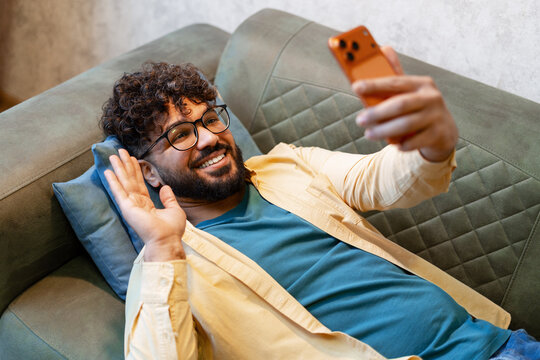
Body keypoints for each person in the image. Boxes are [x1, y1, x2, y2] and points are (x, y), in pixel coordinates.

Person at [100, 51, 539, 359]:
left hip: (496, 344)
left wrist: (428, 145)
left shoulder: (287, 164)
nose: (210, 138)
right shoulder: (165, 262)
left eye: (210, 119)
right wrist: (163, 248)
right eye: (180, 134)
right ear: (150, 172)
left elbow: (382, 181)